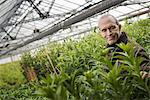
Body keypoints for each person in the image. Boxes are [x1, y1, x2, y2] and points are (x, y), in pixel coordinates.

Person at [98, 14, 150, 79]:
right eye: (104, 30)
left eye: (112, 28)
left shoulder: (134, 49)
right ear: (100, 33)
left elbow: (146, 68)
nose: (109, 33)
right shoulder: (107, 52)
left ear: (119, 27)